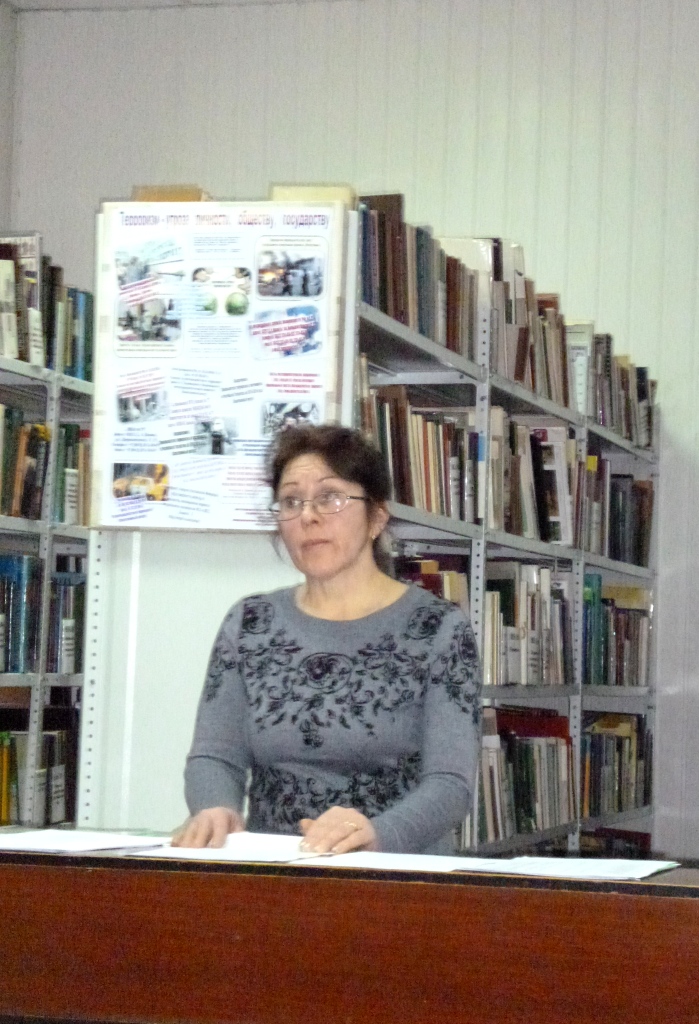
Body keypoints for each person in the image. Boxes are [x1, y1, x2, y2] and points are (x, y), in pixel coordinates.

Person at [173, 424, 482, 855]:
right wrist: (215, 809)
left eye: (330, 497)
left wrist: (376, 834)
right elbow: (214, 756)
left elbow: (451, 785)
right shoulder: (250, 623)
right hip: (274, 868)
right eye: (291, 501)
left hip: (395, 870)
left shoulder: (439, 629)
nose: (308, 517)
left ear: (377, 517)